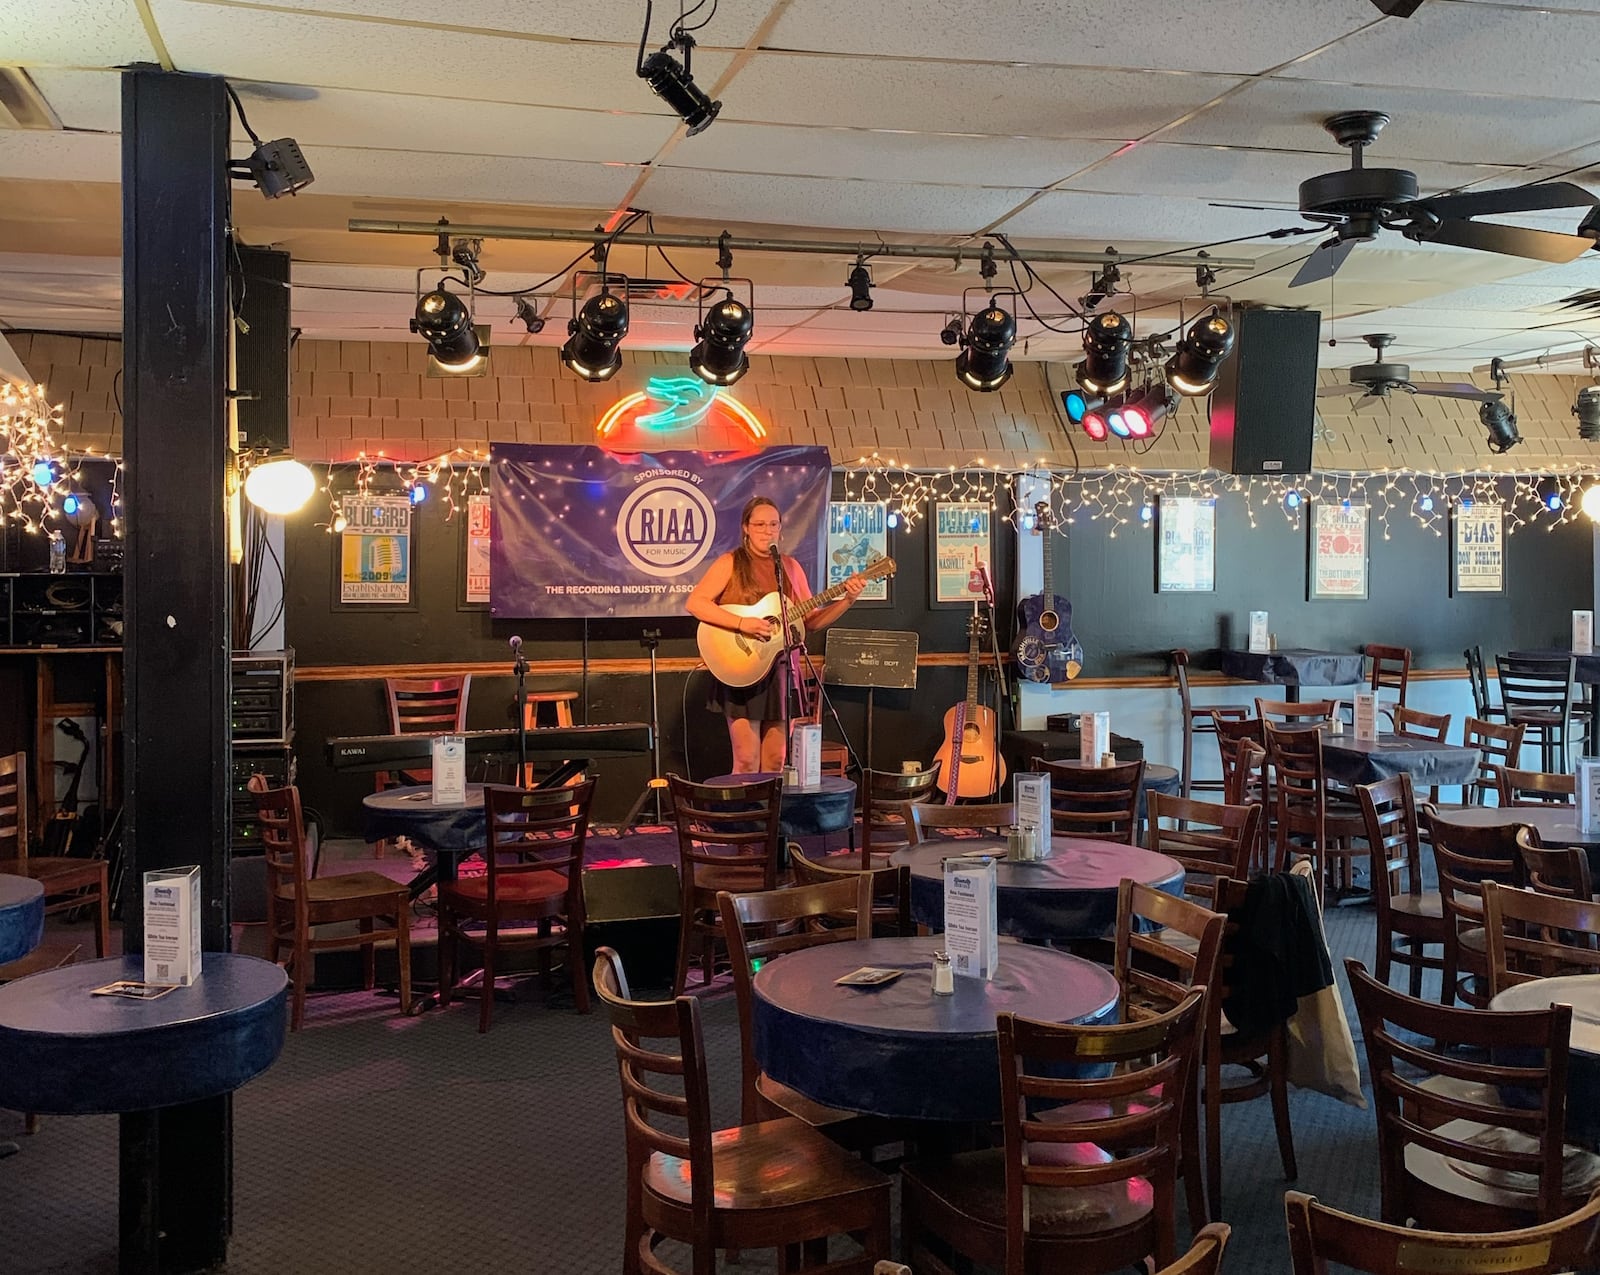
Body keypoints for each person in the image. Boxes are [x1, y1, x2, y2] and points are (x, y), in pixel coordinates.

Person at [688, 495, 864, 774]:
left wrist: (847, 600)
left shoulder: (790, 568)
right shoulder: (730, 563)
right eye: (759, 524)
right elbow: (696, 603)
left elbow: (812, 621)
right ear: (746, 527)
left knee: (774, 761)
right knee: (746, 759)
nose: (767, 530)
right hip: (742, 668)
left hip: (781, 672)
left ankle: (767, 818)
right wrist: (741, 624)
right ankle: (742, 817)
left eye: (773, 524)